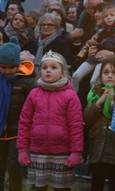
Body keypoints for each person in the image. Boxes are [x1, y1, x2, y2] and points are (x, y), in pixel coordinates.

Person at [17, 50, 84, 191]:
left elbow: (76, 126)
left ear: (63, 72)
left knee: (61, 188)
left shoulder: (70, 96)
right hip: (37, 151)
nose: (48, 70)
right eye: (44, 67)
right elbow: (25, 123)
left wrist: (76, 152)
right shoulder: (34, 94)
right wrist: (22, 149)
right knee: (37, 188)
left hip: (62, 153)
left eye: (54, 67)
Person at [84, 56, 115, 191]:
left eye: (114, 73)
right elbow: (87, 118)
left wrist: (113, 104)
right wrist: (101, 100)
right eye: (106, 72)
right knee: (96, 183)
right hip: (98, 148)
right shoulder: (95, 92)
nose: (110, 76)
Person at [0, 37, 35, 191]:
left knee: (14, 166)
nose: (7, 71)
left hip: (17, 131)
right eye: (3, 67)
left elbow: (33, 107)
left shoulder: (27, 81)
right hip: (1, 131)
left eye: (11, 67)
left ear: (18, 65)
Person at [72, 4, 115, 90]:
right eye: (106, 16)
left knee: (94, 82)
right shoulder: (101, 31)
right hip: (94, 57)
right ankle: (73, 97)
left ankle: (94, 101)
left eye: (112, 15)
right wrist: (80, 56)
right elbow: (89, 43)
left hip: (107, 61)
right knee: (75, 76)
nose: (108, 17)